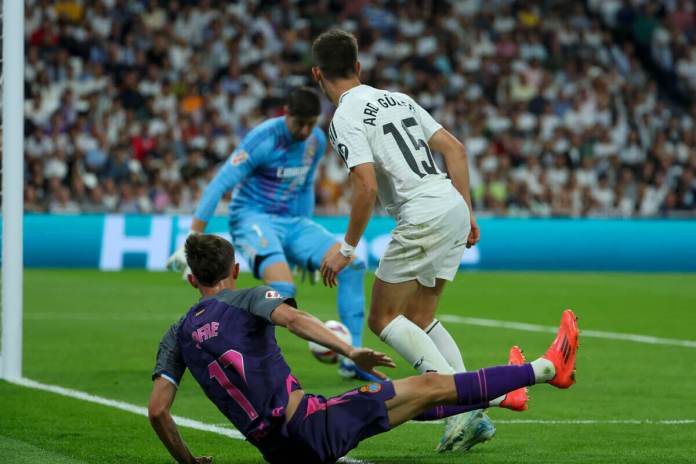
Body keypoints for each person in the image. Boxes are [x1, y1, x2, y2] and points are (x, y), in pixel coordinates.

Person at [149, 234, 579, 464]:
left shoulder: (178, 334)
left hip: (280, 451)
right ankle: (547, 368)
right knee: (428, 384)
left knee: (409, 401)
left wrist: (187, 461)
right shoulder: (248, 298)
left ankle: (504, 395)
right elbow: (296, 320)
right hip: (310, 425)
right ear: (235, 269)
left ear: (193, 280)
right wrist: (349, 350)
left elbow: (157, 411)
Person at [311, 29, 493, 451]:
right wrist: (466, 211)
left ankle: (459, 406)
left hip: (421, 214)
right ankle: (473, 409)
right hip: (448, 202)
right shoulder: (398, 99)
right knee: (417, 316)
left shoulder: (344, 117)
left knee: (382, 319)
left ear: (317, 74)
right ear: (358, 67)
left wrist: (347, 249)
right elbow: (457, 151)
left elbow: (366, 187)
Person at [166, 87, 375, 381]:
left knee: (353, 265)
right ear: (285, 114)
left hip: (293, 221)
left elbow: (304, 186)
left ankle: (352, 358)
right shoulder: (263, 139)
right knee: (283, 289)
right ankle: (234, 355)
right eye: (298, 123)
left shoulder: (315, 140)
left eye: (310, 123)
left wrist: (303, 245)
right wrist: (193, 235)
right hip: (252, 217)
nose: (304, 131)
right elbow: (218, 185)